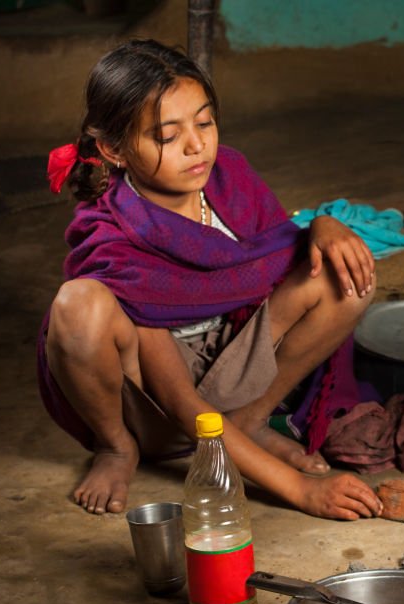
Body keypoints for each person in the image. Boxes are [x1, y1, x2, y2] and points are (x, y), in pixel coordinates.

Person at [37, 39, 383, 520]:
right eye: (167, 135)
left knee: (345, 275)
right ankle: (117, 448)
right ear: (115, 149)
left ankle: (252, 423)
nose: (197, 146)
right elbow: (181, 401)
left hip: (236, 368)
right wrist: (300, 490)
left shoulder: (229, 176)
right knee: (78, 304)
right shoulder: (117, 239)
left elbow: (280, 248)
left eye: (204, 122)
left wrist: (324, 226)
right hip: (159, 404)